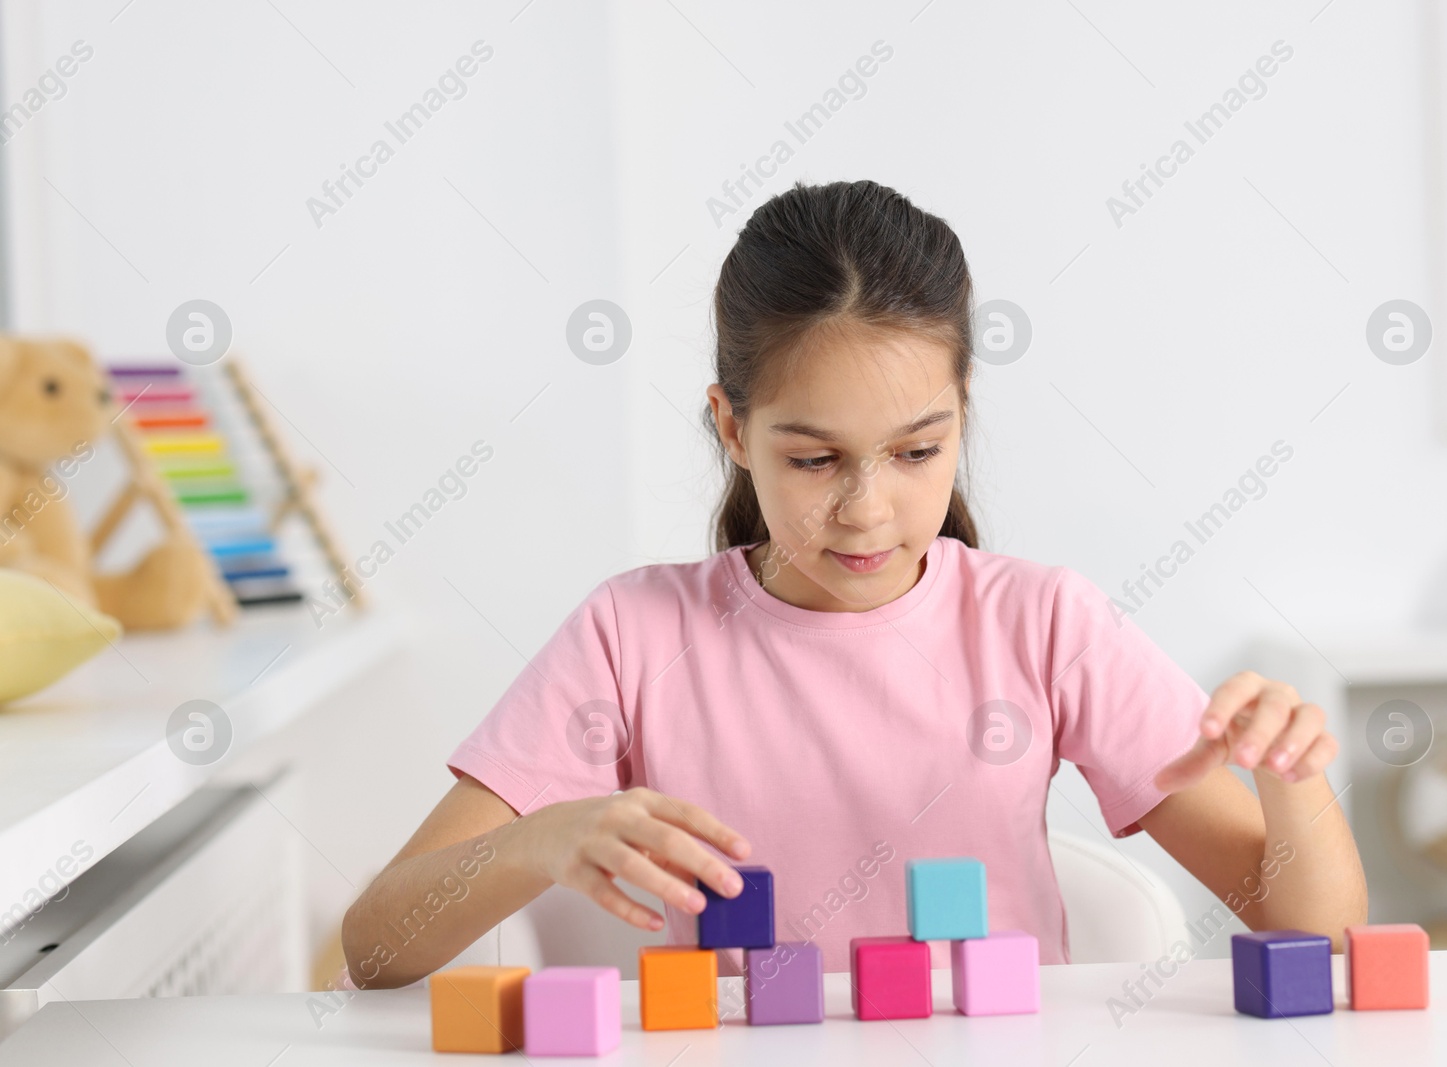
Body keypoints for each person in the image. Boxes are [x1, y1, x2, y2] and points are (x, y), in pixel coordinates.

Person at [341, 179, 1366, 988]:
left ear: (961, 411)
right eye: (815, 459)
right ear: (732, 426)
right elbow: (378, 944)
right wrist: (543, 835)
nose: (868, 508)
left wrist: (1291, 775)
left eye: (917, 451)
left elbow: (1318, 939)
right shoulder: (633, 631)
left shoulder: (1043, 623)